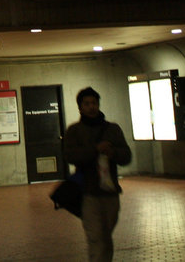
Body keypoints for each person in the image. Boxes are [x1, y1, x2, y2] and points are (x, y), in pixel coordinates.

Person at [64, 87, 132, 262]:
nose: (91, 107)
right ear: (80, 107)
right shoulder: (74, 131)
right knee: (96, 238)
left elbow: (126, 156)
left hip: (110, 192)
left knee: (105, 237)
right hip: (88, 193)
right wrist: (95, 150)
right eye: (86, 104)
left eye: (94, 103)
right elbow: (70, 156)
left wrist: (113, 153)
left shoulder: (113, 129)